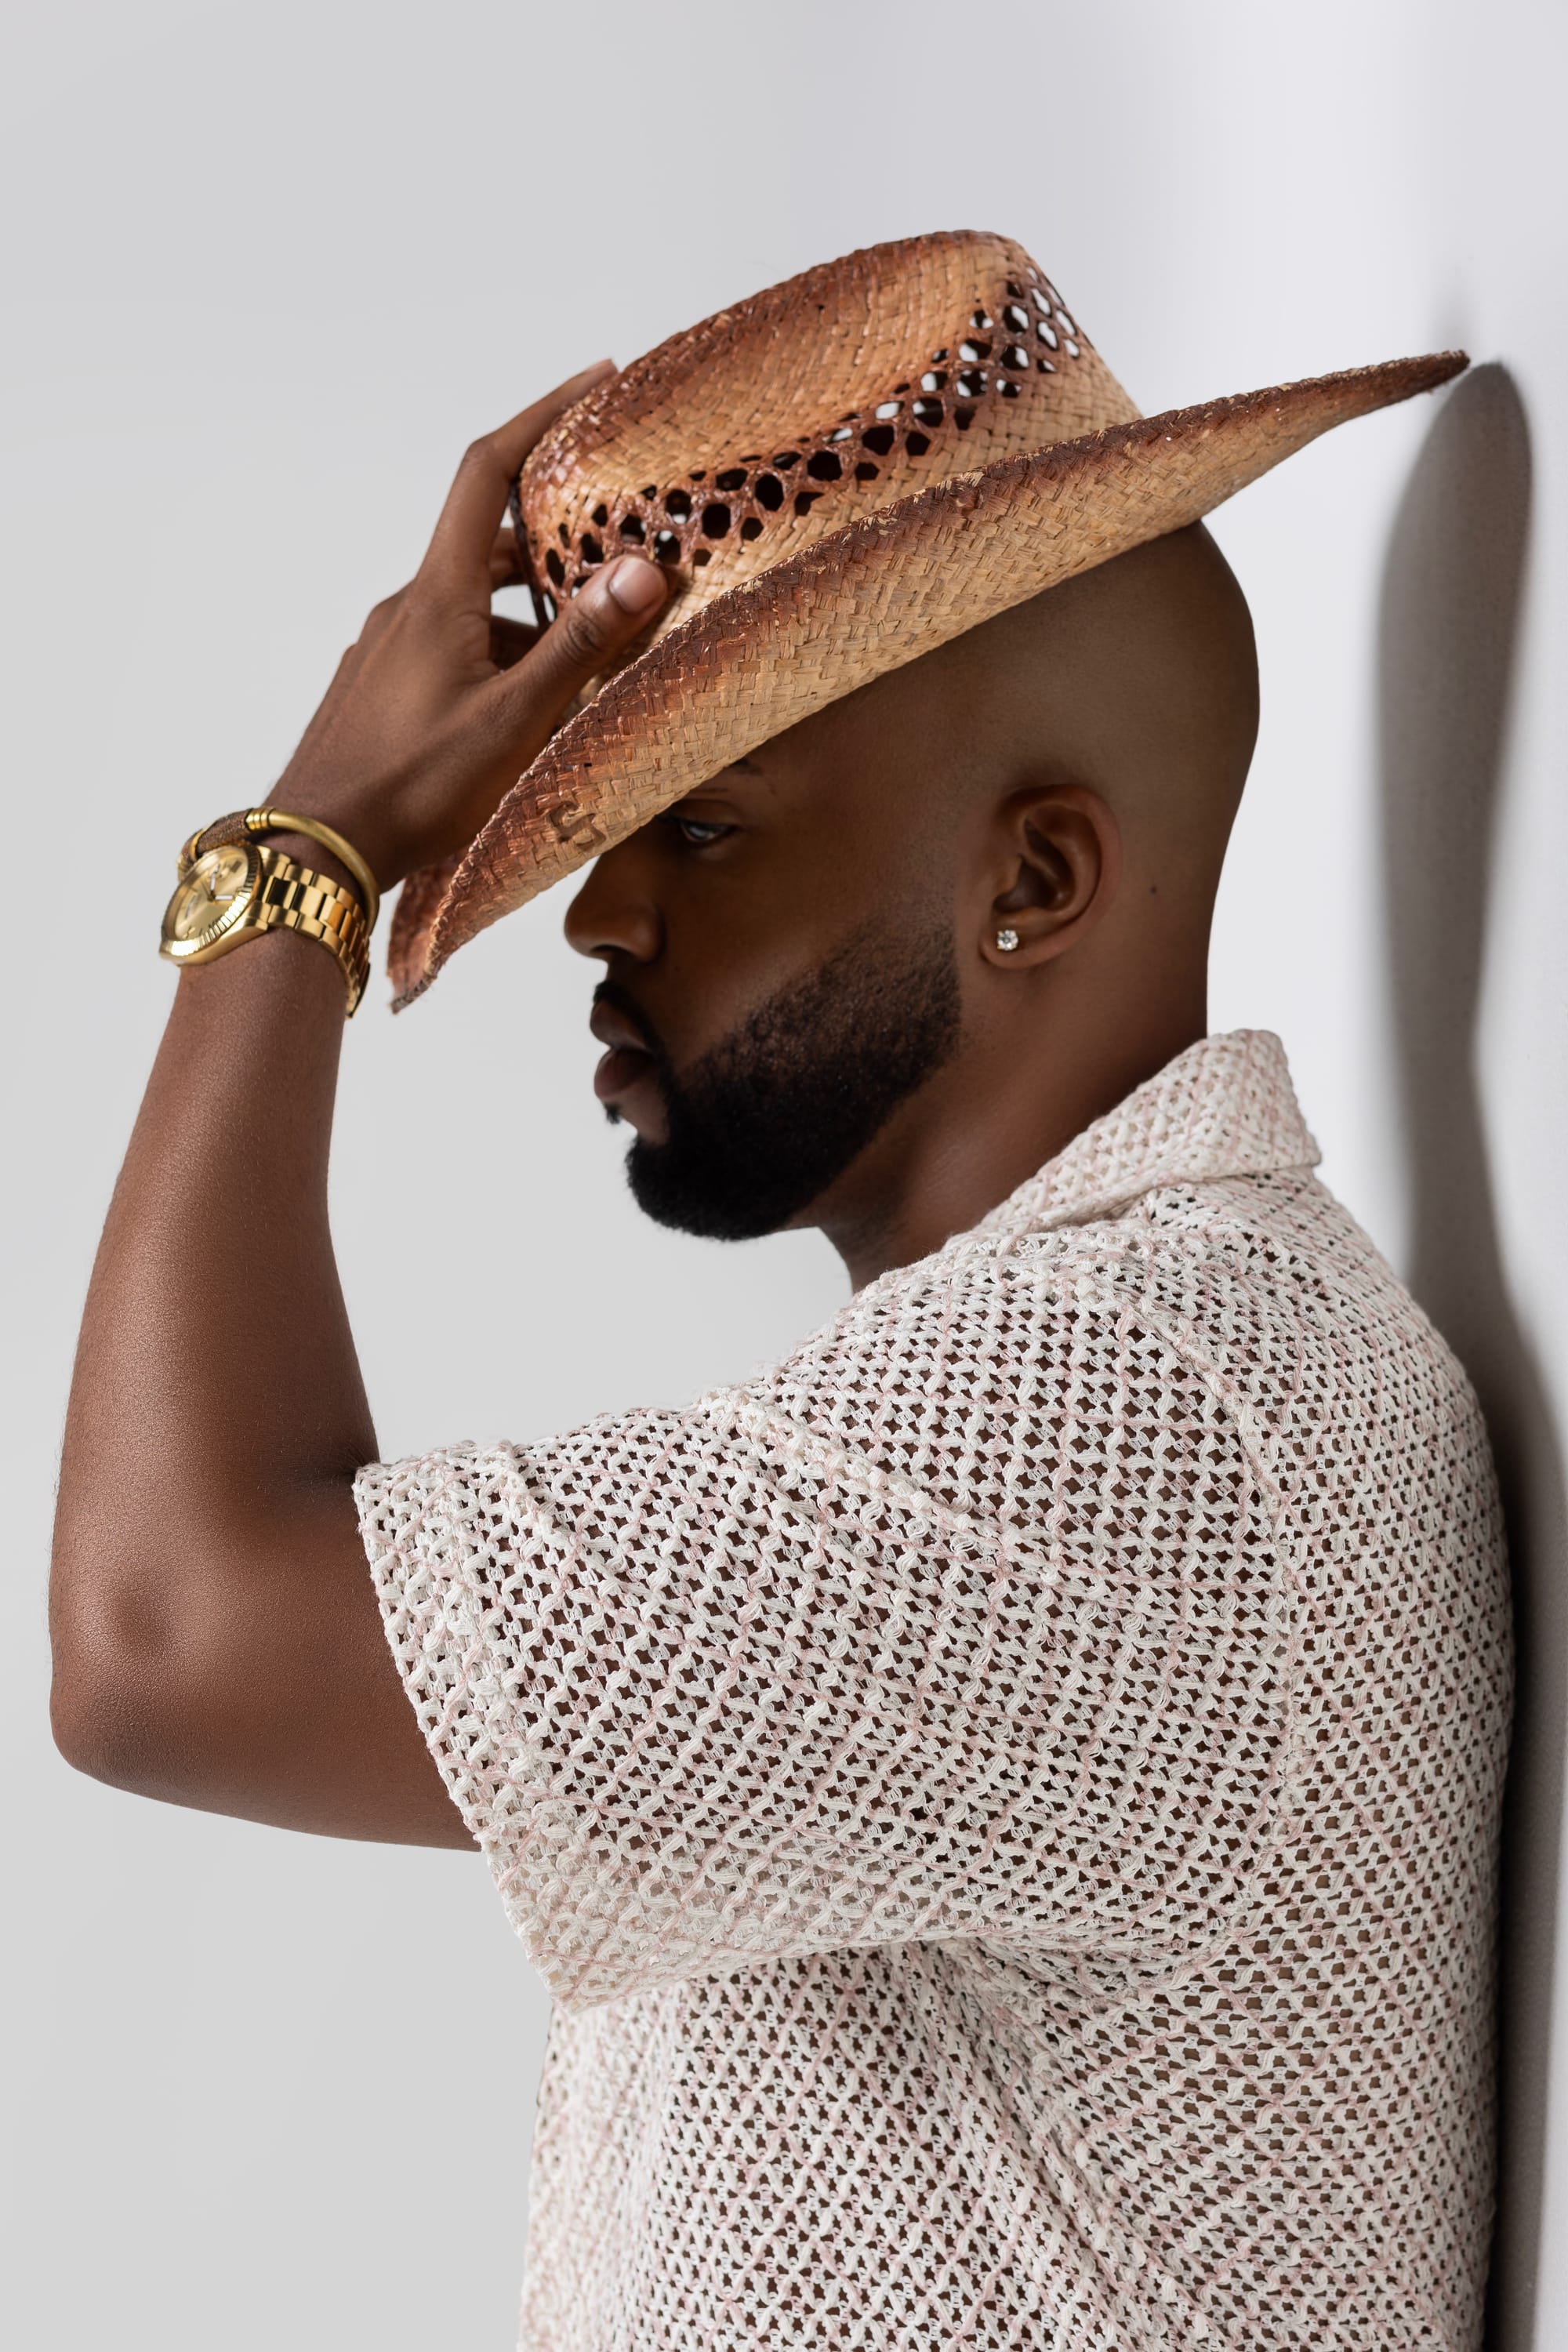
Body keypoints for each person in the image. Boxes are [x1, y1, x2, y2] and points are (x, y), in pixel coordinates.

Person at [49, 234, 1510, 2348]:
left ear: (1035, 880)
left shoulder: (1134, 1415)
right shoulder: (1108, 1370)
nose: (597, 917)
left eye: (705, 830)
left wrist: (298, 870)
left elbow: (164, 1641)